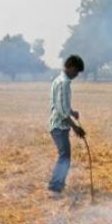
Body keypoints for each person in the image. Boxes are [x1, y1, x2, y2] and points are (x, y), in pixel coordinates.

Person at [47, 55, 86, 195]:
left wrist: (72, 112)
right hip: (58, 126)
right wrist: (75, 127)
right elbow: (62, 111)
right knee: (64, 157)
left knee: (65, 157)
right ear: (70, 67)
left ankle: (59, 184)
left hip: (59, 125)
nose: (76, 75)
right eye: (76, 71)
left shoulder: (59, 80)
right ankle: (54, 188)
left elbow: (62, 105)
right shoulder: (64, 83)